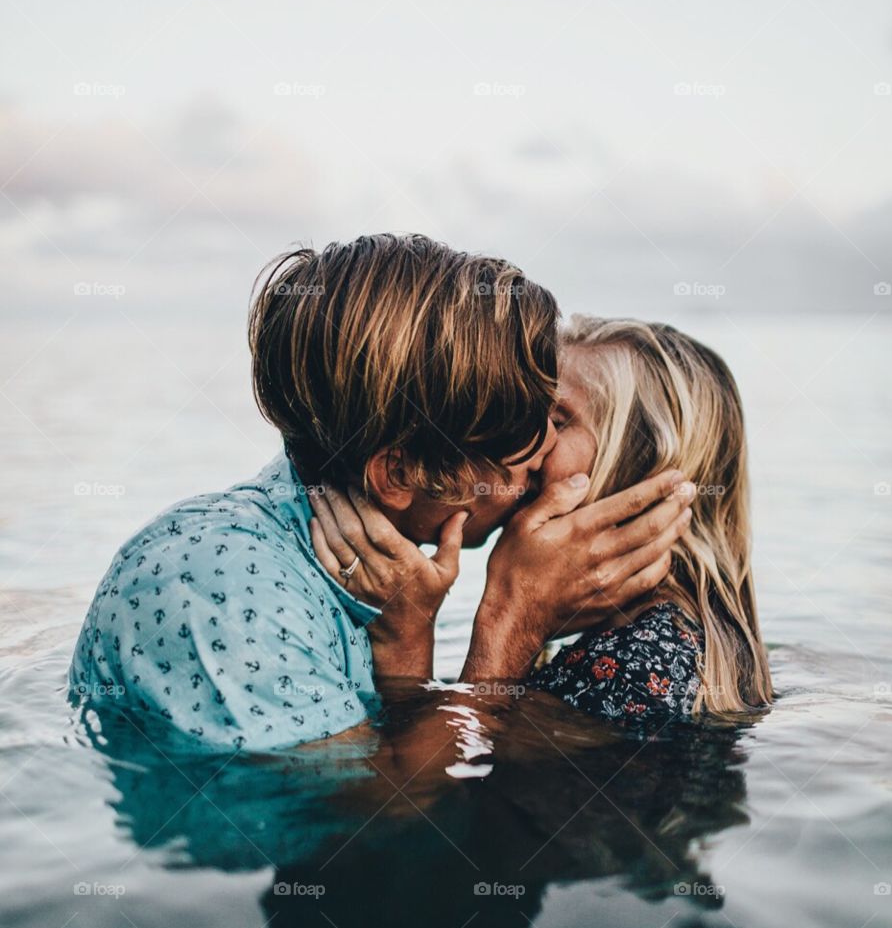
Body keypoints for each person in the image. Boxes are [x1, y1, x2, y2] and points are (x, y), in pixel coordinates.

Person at [69, 237, 691, 751]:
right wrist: (511, 621)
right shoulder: (224, 586)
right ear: (397, 475)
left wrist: (408, 643)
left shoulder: (368, 575)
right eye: (524, 439)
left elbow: (390, 769)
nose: (540, 468)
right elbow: (392, 835)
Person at [313, 316, 771, 730]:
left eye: (555, 418)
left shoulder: (625, 668)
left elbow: (432, 810)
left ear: (642, 474)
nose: (522, 443)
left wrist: (496, 625)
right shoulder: (688, 639)